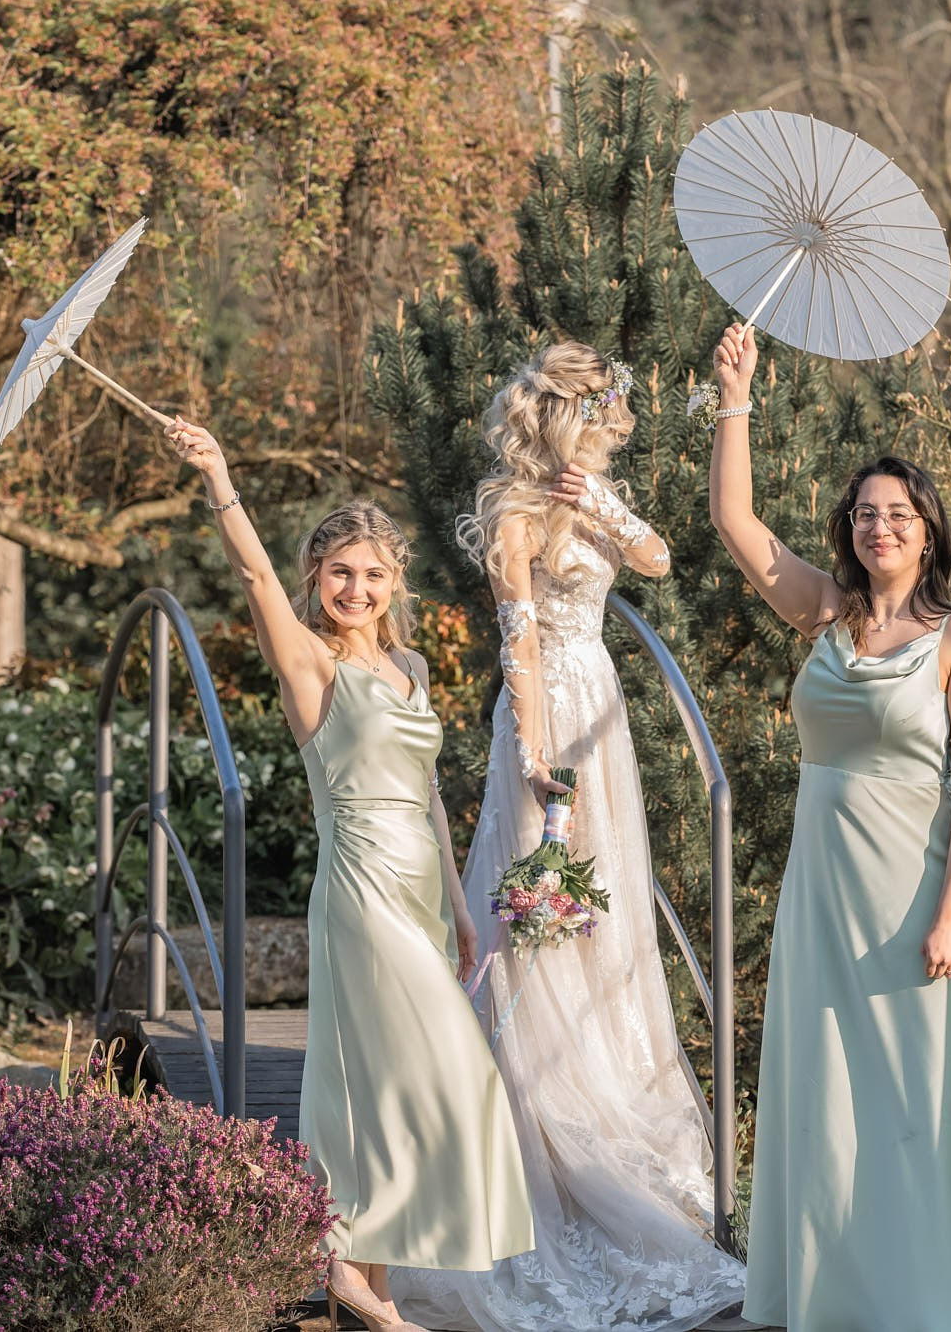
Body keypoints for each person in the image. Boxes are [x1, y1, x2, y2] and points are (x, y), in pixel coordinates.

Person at [391, 342, 748, 1332]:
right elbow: (519, 639)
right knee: (538, 918)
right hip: (546, 715)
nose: (600, 422)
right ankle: (531, 1127)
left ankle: (613, 1110)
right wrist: (538, 761)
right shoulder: (509, 510)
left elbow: (658, 559)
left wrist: (601, 504)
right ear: (549, 418)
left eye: (603, 411)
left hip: (603, 707)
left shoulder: (594, 496)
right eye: (587, 410)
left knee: (608, 918)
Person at [165, 420, 533, 1332]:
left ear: (394, 584)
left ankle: (366, 1278)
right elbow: (253, 575)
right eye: (338, 573)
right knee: (445, 1068)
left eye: (372, 575)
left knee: (391, 1079)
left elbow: (433, 798)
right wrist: (219, 472)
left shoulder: (408, 666)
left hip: (418, 887)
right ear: (317, 580)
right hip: (361, 889)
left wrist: (459, 910)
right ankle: (341, 1256)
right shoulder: (311, 665)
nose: (355, 589)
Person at [706, 323, 951, 1332]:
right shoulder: (824, 616)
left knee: (906, 1098)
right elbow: (733, 518)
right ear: (847, 529)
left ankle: (925, 1302)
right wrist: (735, 395)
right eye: (864, 513)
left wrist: (949, 913)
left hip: (915, 898)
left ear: (926, 532)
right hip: (821, 896)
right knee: (825, 1093)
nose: (879, 526)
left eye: (899, 514)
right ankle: (826, 1293)